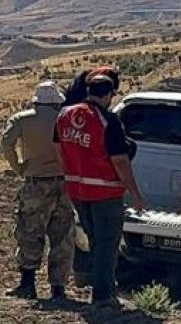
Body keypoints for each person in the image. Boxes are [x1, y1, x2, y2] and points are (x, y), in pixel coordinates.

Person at [55, 74, 145, 311]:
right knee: (107, 243)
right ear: (108, 95)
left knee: (95, 241)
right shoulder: (108, 120)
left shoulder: (65, 115)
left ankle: (101, 288)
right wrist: (134, 192)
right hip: (105, 191)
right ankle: (104, 296)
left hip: (77, 189)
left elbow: (59, 148)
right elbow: (120, 161)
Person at [1, 81, 74, 301]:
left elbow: (6, 143)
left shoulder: (22, 120)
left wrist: (18, 167)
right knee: (62, 236)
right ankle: (58, 289)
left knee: (29, 232)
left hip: (35, 183)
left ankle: (28, 284)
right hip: (64, 184)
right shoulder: (66, 120)